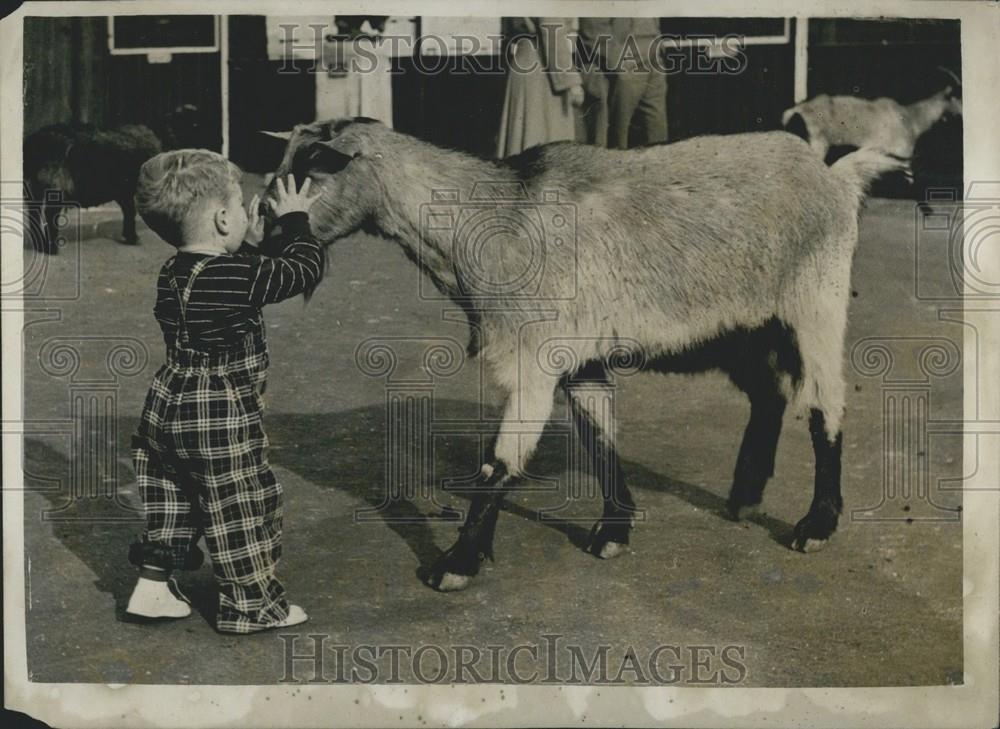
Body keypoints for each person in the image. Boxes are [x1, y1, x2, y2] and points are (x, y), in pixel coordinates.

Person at [123, 149, 325, 634]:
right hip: (218, 410)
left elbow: (230, 275)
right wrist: (296, 222)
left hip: (167, 399)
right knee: (239, 504)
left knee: (173, 496)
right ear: (221, 219)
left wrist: (247, 243)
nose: (244, 214)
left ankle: (152, 587)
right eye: (238, 206)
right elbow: (301, 270)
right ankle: (250, 607)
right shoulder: (236, 277)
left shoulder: (173, 271)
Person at [496, 17, 585, 158]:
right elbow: (552, 33)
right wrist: (572, 83)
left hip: (523, 64)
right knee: (545, 142)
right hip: (543, 71)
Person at [577, 18, 668, 149]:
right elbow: (592, 28)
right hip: (624, 62)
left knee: (656, 134)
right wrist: (619, 62)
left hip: (653, 59)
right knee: (617, 140)